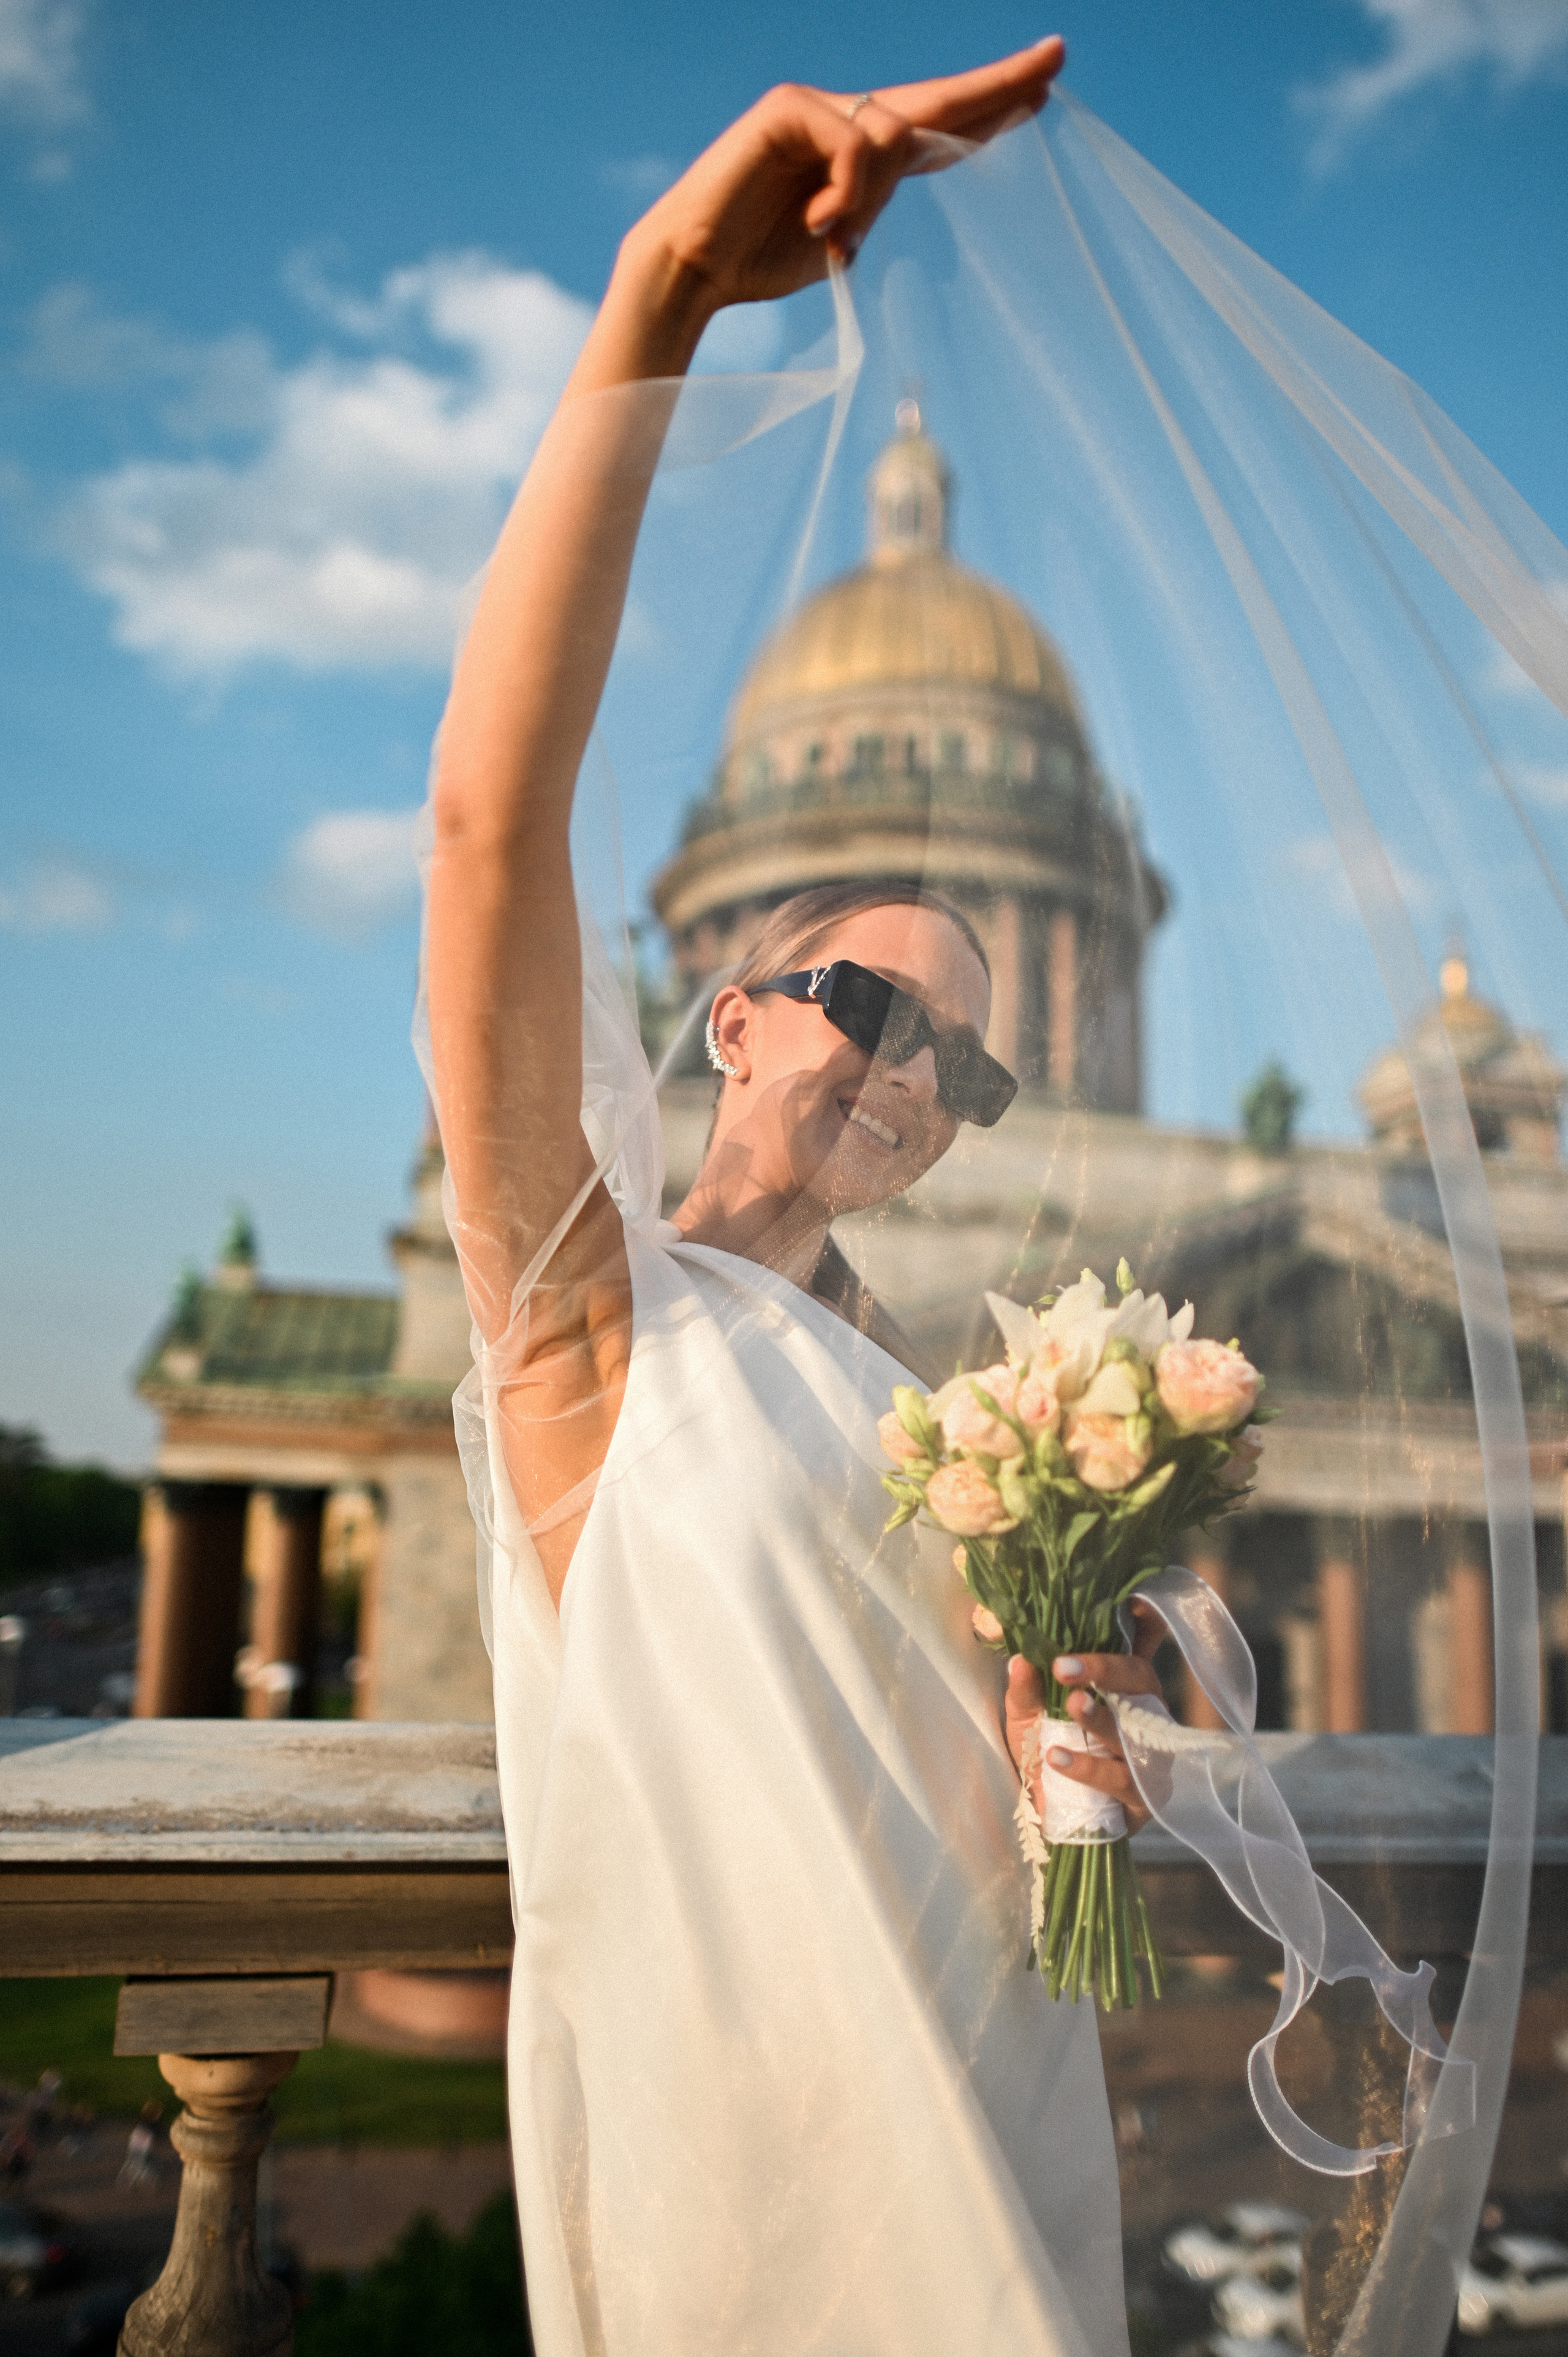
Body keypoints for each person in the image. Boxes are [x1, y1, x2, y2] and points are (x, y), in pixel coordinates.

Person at [425, 47, 1165, 2356]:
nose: (912, 1067)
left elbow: (1026, 1795)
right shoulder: (585, 1312)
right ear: (729, 1007)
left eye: (971, 1050)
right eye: (862, 996)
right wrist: (661, 292)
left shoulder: (972, 1420)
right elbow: (485, 827)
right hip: (745, 2199)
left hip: (1010, 2135)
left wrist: (1109, 1687)